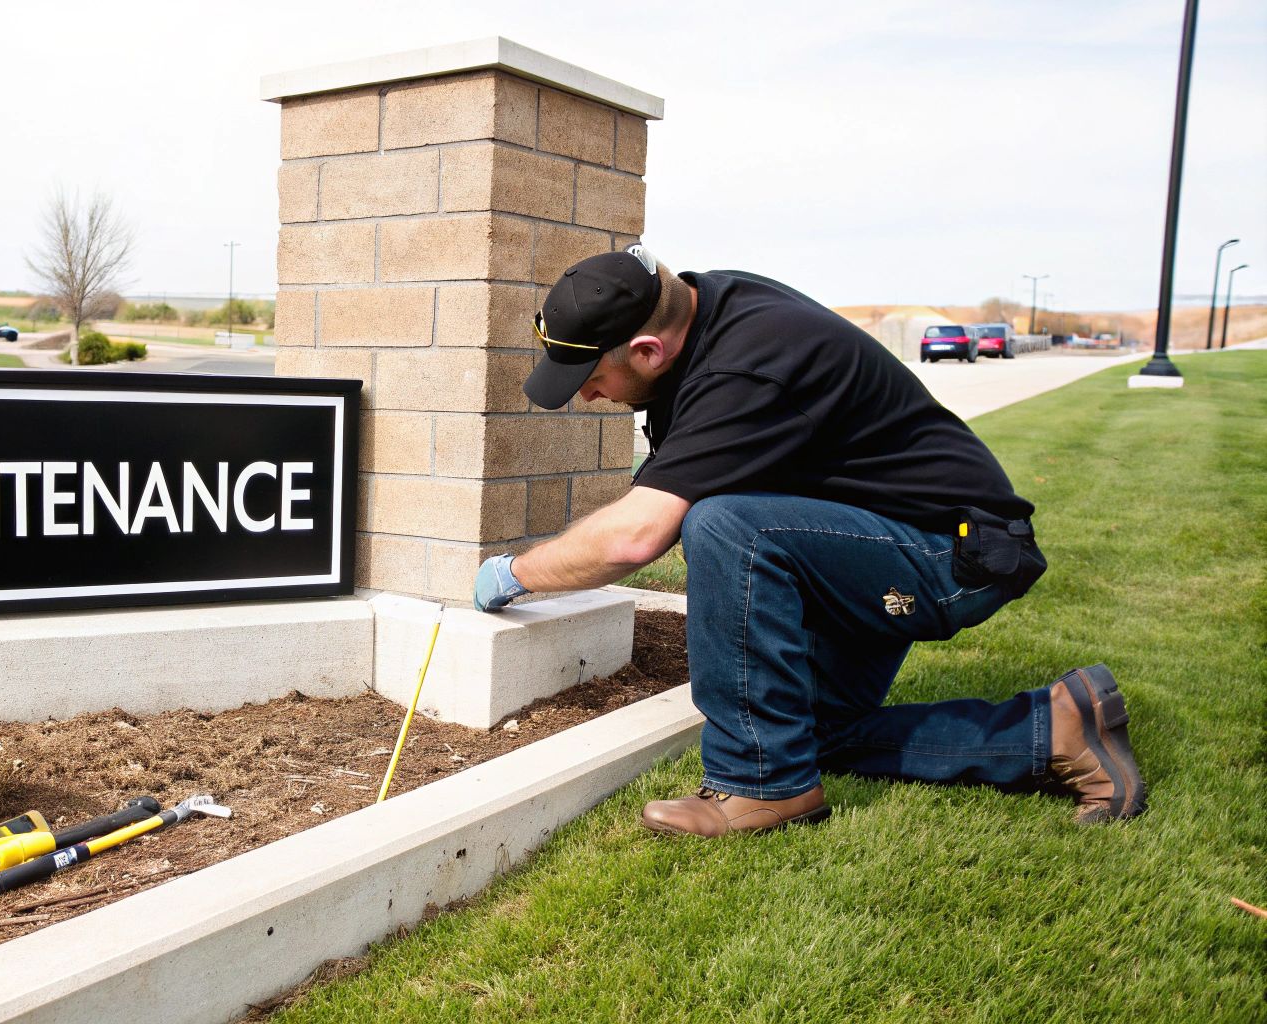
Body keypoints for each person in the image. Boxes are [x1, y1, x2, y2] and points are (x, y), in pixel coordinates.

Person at [472, 247, 1145, 838]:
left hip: (953, 553)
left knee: (722, 524)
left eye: (588, 378)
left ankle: (760, 786)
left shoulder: (746, 368)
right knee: (814, 734)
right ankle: (1056, 730)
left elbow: (633, 537)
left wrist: (514, 572)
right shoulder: (712, 310)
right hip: (867, 538)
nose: (585, 395)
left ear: (648, 351)